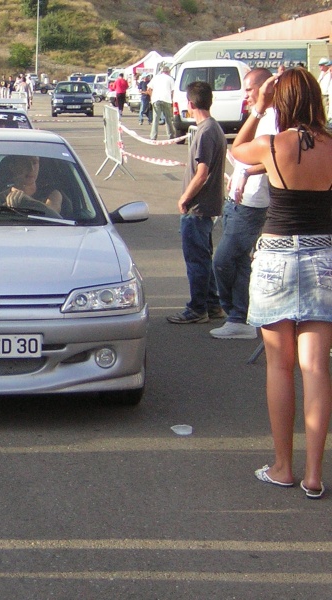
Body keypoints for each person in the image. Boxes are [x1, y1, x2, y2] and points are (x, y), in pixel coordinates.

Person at [231, 67, 332, 500]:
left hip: (275, 256)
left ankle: (282, 466)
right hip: (323, 255)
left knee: (279, 366)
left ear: (283, 102)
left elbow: (237, 152)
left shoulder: (274, 145)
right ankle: (313, 474)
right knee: (317, 367)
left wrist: (258, 108)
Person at [211, 68, 276, 340]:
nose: (245, 95)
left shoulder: (273, 118)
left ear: (263, 89)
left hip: (252, 205)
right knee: (238, 263)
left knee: (223, 261)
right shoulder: (259, 117)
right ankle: (240, 317)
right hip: (238, 201)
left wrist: (248, 172)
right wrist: (239, 175)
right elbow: (240, 151)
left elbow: (275, 156)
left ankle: (237, 314)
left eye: (249, 89)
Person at [167, 81, 226, 324]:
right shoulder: (213, 129)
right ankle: (212, 304)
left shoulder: (205, 132)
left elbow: (202, 172)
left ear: (190, 104)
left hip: (198, 207)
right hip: (206, 206)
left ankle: (197, 308)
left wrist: (185, 197)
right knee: (204, 256)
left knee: (196, 260)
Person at [0, 155, 64, 216]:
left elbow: (54, 216)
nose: (31, 168)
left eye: (35, 163)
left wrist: (28, 200)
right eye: (24, 163)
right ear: (12, 167)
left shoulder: (52, 194)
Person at [148, 65, 176, 140]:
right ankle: (171, 135)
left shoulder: (156, 78)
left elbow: (149, 89)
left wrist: (152, 97)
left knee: (156, 119)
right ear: (168, 72)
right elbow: (173, 91)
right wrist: (172, 100)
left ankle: (153, 136)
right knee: (168, 119)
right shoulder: (170, 79)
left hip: (156, 99)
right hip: (166, 99)